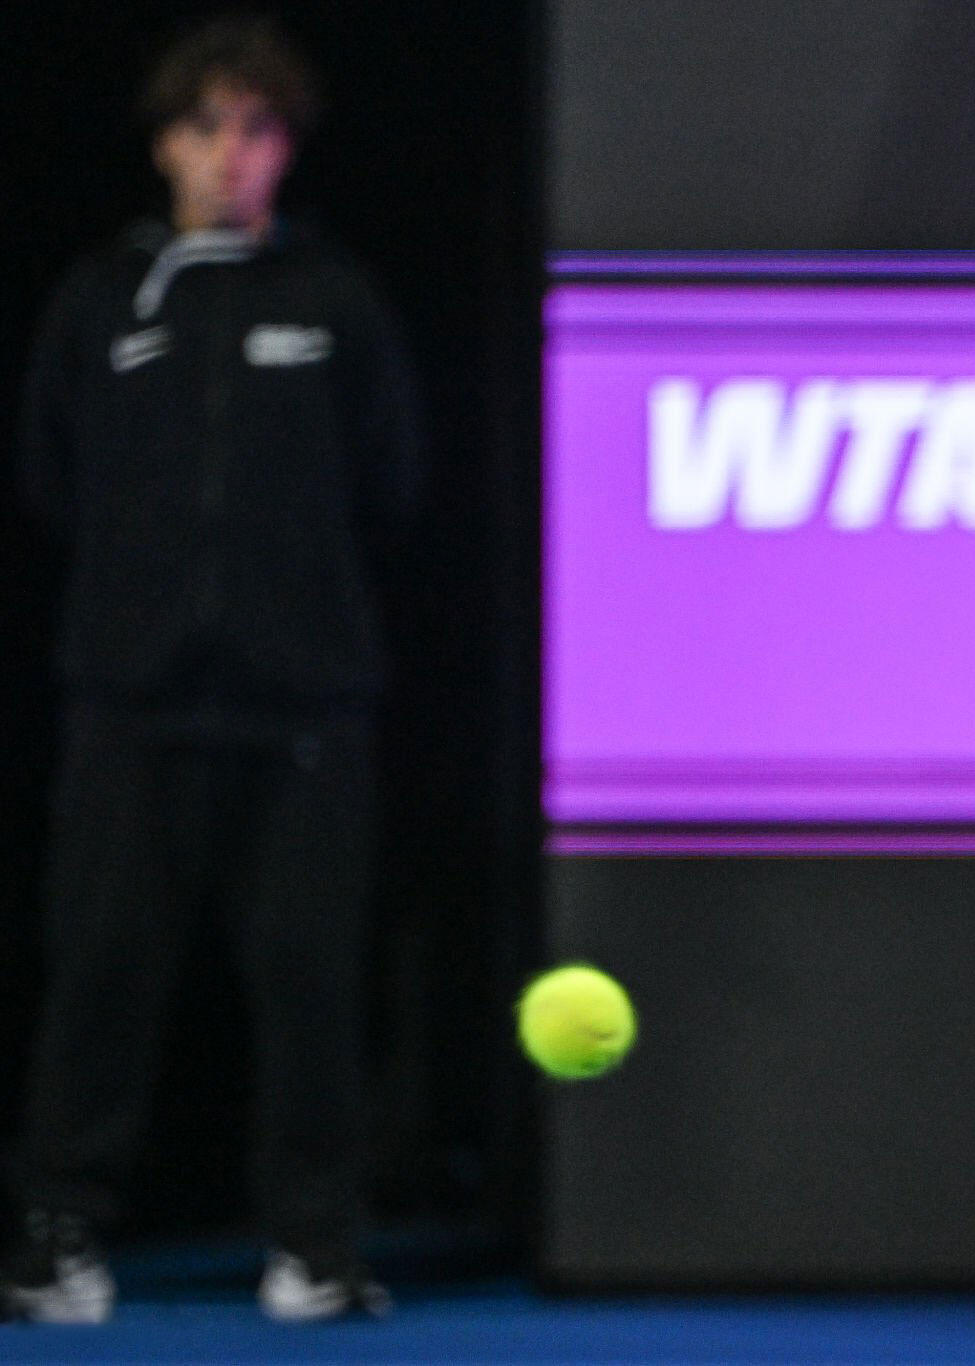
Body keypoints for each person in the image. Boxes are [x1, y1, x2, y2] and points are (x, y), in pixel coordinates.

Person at [4, 15, 421, 1323]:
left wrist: (291, 613)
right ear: (164, 145)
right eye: (206, 127)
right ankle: (58, 1238)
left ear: (287, 149)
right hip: (130, 704)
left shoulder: (337, 302)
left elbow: (392, 482)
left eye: (257, 128)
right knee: (100, 975)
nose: (230, 152)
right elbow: (50, 478)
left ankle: (316, 1246)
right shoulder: (102, 302)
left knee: (307, 982)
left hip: (304, 713)